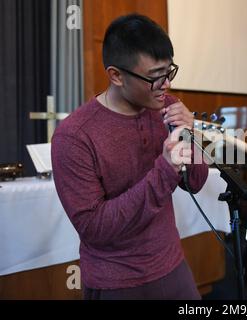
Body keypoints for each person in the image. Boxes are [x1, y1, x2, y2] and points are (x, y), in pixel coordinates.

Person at [51, 14, 209, 300]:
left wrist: (192, 134)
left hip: (172, 265)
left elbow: (195, 182)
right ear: (116, 75)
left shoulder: (166, 107)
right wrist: (164, 171)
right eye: (154, 77)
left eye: (168, 71)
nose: (166, 85)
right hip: (116, 280)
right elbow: (94, 228)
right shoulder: (74, 137)